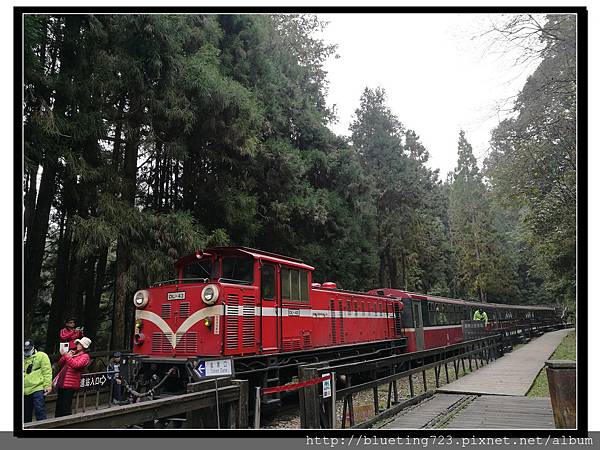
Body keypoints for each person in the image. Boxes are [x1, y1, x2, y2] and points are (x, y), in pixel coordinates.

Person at [54, 337, 91, 417]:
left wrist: (66, 356)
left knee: (66, 406)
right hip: (63, 382)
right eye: (78, 343)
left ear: (84, 346)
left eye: (80, 344)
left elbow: (76, 365)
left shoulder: (85, 356)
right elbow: (60, 363)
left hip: (70, 384)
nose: (77, 344)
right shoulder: (73, 353)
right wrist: (67, 355)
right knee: (59, 404)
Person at [23, 339, 52, 422]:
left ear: (33, 348)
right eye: (25, 349)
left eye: (28, 349)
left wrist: (47, 385)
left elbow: (47, 371)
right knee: (26, 414)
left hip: (38, 388)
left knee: (40, 411)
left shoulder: (42, 356)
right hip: (25, 390)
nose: (26, 351)